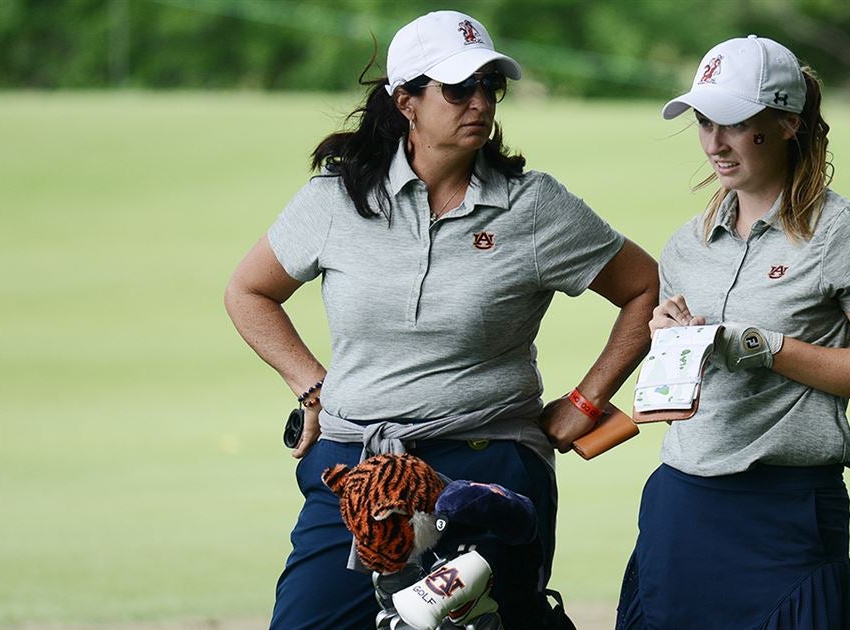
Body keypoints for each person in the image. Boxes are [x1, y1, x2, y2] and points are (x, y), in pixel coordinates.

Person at [223, 10, 658, 630]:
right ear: (406, 100)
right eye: (458, 89)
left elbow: (645, 287)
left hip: (488, 465)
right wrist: (311, 385)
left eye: (490, 87)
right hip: (358, 467)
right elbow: (248, 291)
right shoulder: (334, 200)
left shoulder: (532, 205)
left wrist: (588, 402)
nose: (480, 102)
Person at [616, 36, 850, 630]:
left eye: (733, 123)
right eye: (704, 123)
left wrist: (765, 347)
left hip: (786, 508)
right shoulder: (688, 243)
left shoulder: (846, 232)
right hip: (681, 501)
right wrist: (670, 339)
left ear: (787, 123)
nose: (715, 143)